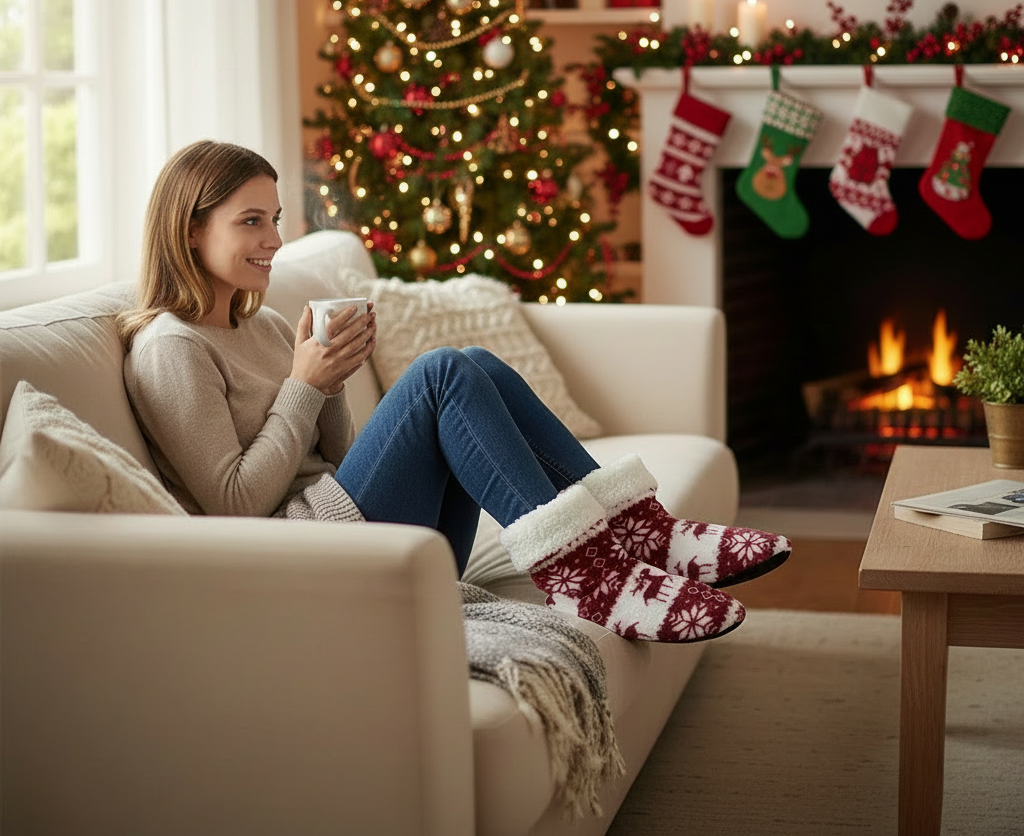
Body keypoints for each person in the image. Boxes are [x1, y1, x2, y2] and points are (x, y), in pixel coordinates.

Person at [120, 140, 792, 645]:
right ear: (190, 230)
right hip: (303, 563)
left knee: (475, 362)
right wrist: (304, 384)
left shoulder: (262, 324)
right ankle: (590, 576)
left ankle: (642, 531)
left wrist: (328, 383)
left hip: (357, 534)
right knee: (443, 372)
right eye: (251, 222)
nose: (275, 240)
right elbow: (235, 508)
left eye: (275, 218)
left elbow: (332, 463)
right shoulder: (169, 348)